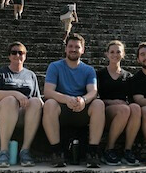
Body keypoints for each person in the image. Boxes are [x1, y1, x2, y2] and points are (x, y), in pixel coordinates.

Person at [42, 33, 105, 168]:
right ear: (65, 49)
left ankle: (93, 152)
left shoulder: (89, 70)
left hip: (81, 109)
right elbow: (48, 92)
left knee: (99, 104)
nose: (73, 49)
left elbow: (93, 92)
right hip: (62, 109)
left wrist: (83, 100)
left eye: (77, 47)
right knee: (49, 104)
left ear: (83, 50)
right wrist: (66, 99)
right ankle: (57, 151)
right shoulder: (55, 66)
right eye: (70, 46)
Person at [0, 41, 43, 168]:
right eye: (13, 52)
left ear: (25, 56)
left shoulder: (30, 75)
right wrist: (16, 94)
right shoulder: (0, 72)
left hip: (21, 114)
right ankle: (3, 152)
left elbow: (37, 99)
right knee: (10, 100)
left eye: (20, 52)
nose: (17, 55)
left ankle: (25, 151)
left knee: (36, 102)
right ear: (9, 56)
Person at [97, 40, 141, 166]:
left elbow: (132, 99)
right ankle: (108, 149)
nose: (115, 54)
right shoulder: (99, 74)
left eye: (118, 52)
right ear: (107, 54)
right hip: (105, 110)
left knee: (136, 108)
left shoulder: (128, 76)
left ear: (123, 54)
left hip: (124, 111)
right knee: (124, 109)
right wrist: (112, 102)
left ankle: (128, 150)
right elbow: (95, 98)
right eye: (112, 52)